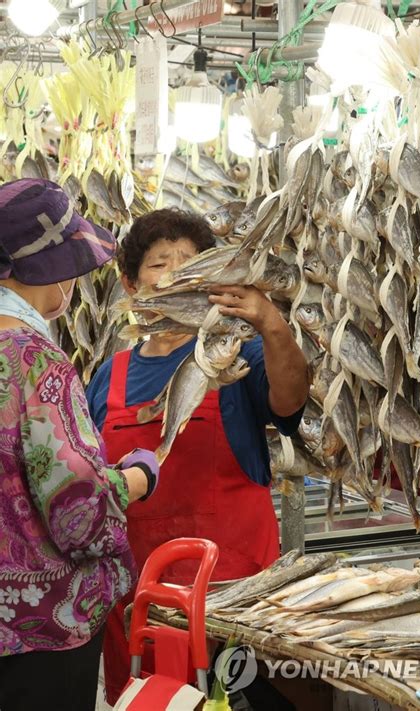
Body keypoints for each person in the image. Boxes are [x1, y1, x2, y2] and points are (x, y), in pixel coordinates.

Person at [86, 207, 310, 704]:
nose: (177, 273)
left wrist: (271, 323)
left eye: (190, 262)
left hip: (233, 599)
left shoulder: (237, 354)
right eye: (161, 263)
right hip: (141, 605)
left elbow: (291, 400)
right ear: (130, 284)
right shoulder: (109, 376)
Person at [0, 179, 159, 711]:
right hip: (38, 632)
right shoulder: (32, 359)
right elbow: (77, 508)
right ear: (47, 268)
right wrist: (137, 476)